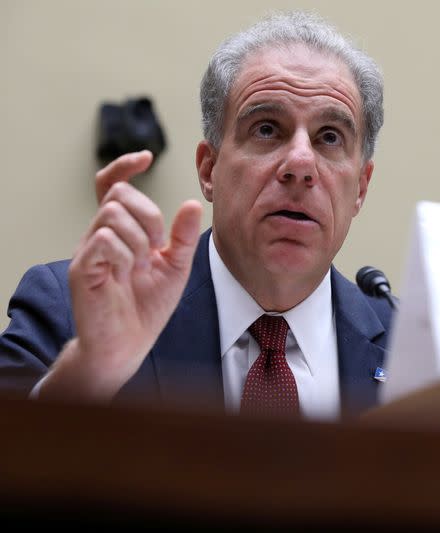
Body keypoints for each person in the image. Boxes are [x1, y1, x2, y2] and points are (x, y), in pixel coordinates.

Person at [0, 11, 393, 421]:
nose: (299, 162)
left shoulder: (416, 352)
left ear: (360, 189)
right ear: (209, 169)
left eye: (329, 137)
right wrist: (89, 370)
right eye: (266, 129)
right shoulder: (72, 311)